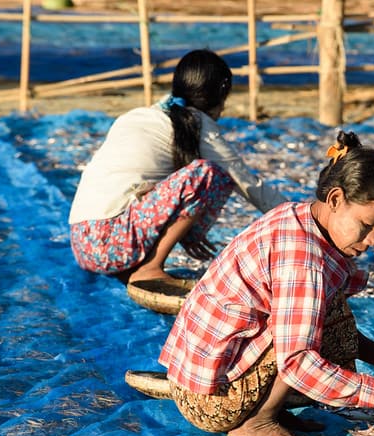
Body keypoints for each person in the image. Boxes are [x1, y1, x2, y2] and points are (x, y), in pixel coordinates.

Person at [158, 131, 374, 436]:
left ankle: (268, 411)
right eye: (366, 225)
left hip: (203, 378)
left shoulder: (299, 215)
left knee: (327, 313)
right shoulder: (303, 260)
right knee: (317, 328)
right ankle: (256, 422)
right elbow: (298, 363)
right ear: (335, 199)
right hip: (210, 400)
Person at [68, 49, 286, 285]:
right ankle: (150, 267)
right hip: (111, 241)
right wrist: (305, 219)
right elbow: (249, 185)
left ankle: (136, 264)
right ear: (222, 95)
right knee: (210, 175)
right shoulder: (200, 124)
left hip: (84, 245)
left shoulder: (137, 116)